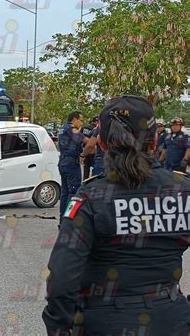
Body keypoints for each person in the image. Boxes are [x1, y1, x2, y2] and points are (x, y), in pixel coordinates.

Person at [43, 95, 190, 335]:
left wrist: (58, 325)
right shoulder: (184, 190)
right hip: (171, 320)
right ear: (154, 142)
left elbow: (62, 276)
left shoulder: (90, 197)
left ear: (101, 144)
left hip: (102, 322)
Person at [57, 111, 89, 220]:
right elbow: (86, 141)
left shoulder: (62, 128)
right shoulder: (72, 129)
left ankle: (62, 220)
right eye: (81, 120)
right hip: (71, 163)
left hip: (63, 161)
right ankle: (69, 219)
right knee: (73, 193)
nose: (81, 123)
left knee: (65, 193)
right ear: (75, 119)